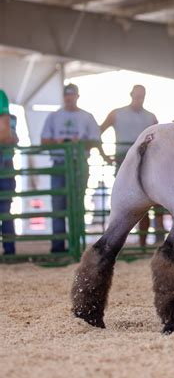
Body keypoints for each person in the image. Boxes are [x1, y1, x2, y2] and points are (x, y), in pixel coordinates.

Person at [41, 84, 101, 253]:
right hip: (60, 163)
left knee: (77, 204)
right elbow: (44, 141)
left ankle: (77, 245)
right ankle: (58, 247)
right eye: (66, 95)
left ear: (77, 96)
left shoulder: (87, 117)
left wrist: (79, 143)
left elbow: (96, 141)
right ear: (63, 97)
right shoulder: (53, 117)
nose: (69, 98)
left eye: (72, 95)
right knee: (58, 205)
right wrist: (59, 142)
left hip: (79, 164)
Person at [100, 85, 158, 246]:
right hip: (124, 161)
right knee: (122, 202)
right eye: (137, 95)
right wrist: (104, 155)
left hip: (147, 163)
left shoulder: (151, 117)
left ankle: (142, 244)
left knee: (147, 202)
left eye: (142, 95)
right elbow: (98, 131)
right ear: (131, 94)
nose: (139, 98)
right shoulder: (116, 114)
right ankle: (115, 242)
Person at [0, 91, 18, 255]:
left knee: (5, 208)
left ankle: (10, 250)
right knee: (5, 209)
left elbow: (8, 136)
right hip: (5, 163)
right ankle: (9, 250)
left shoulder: (1, 96)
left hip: (5, 162)